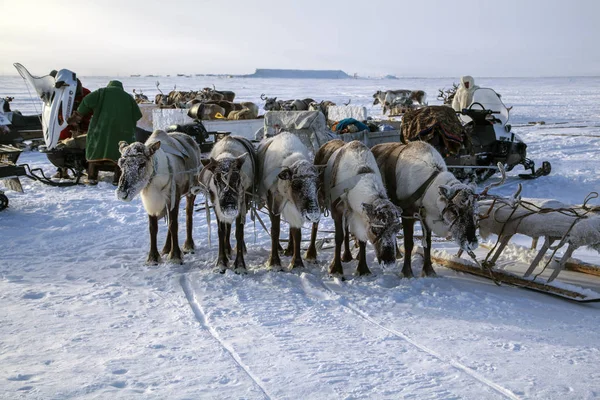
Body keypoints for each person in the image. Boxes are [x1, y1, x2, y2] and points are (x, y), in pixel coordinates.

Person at [68, 80, 142, 185]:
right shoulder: (128, 97)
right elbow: (138, 115)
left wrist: (78, 115)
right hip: (122, 133)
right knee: (120, 155)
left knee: (96, 150)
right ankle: (117, 179)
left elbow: (86, 101)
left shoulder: (101, 93)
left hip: (100, 131)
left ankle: (92, 177)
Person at [53, 78, 91, 179]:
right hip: (66, 125)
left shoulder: (87, 94)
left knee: (84, 148)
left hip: (83, 126)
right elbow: (58, 110)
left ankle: (88, 169)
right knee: (62, 146)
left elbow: (91, 111)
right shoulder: (61, 94)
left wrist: (81, 123)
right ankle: (62, 170)